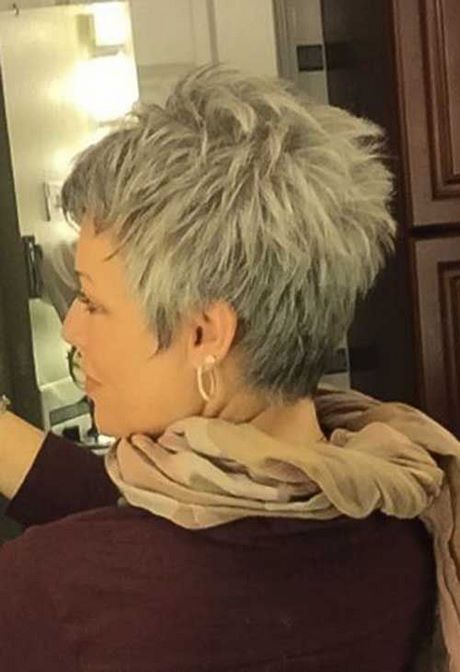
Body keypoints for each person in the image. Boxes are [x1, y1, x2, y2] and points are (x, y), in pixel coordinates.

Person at [0, 66, 458, 672]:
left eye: (91, 299)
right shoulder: (406, 515)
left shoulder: (55, 596)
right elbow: (154, 514)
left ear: (204, 334)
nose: (71, 328)